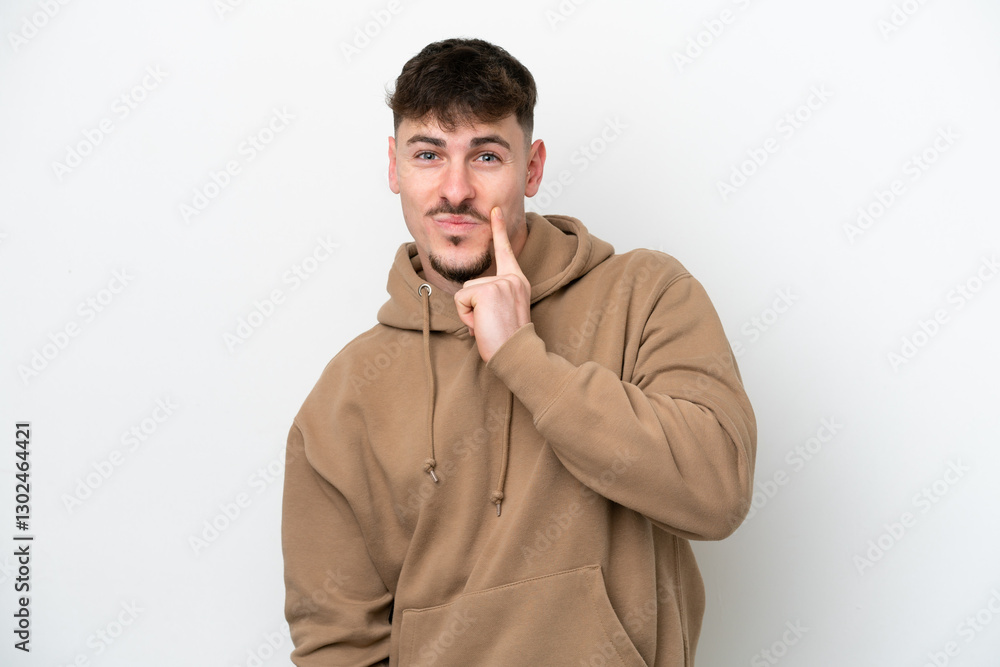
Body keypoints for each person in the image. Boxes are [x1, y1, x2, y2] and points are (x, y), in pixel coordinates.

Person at [281, 37, 756, 666]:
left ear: (531, 169)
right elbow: (336, 643)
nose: (455, 190)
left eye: (486, 156)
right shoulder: (345, 394)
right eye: (428, 155)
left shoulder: (646, 293)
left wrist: (521, 357)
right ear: (394, 167)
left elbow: (716, 493)